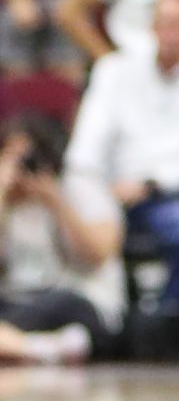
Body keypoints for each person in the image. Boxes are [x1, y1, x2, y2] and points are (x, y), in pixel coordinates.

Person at [64, 0, 179, 327]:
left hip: (173, 194)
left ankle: (166, 321)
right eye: (165, 22)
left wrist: (152, 184)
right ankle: (102, 321)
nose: (172, 31)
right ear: (151, 27)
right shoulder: (114, 70)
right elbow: (88, 144)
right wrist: (96, 190)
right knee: (79, 229)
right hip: (109, 190)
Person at [0, 113, 121, 365]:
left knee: (60, 303)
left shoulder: (79, 187)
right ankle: (38, 348)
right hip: (20, 300)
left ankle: (20, 344)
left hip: (78, 298)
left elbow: (99, 253)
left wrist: (55, 200)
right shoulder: (6, 201)